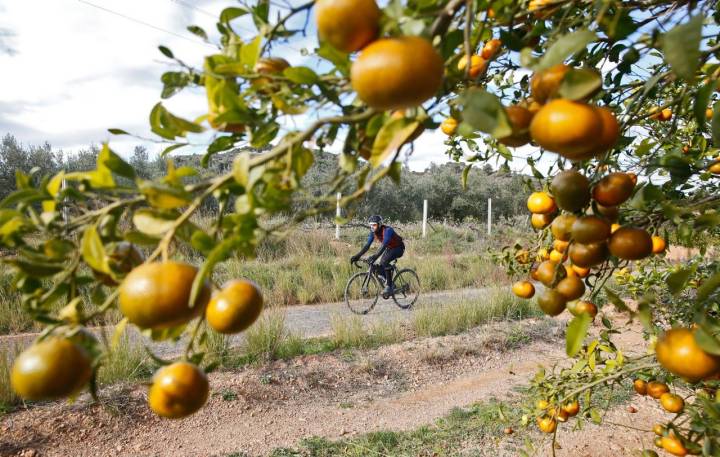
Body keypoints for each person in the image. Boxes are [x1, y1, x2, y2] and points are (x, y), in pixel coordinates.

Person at [350, 215, 405, 296]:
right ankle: (390, 283)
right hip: (390, 248)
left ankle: (389, 286)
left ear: (379, 224)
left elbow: (383, 246)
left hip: (399, 248)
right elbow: (367, 245)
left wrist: (374, 256)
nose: (372, 227)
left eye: (374, 225)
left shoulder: (387, 230)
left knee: (384, 261)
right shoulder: (373, 232)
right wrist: (357, 256)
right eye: (371, 225)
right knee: (378, 266)